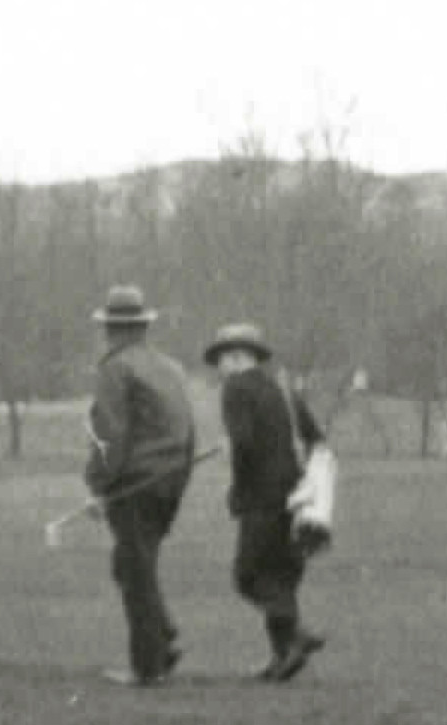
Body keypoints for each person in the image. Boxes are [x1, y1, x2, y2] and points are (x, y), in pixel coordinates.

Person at [203, 323, 327, 683]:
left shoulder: (236, 388)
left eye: (222, 359)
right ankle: (282, 657)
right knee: (281, 576)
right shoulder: (283, 388)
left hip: (261, 497)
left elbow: (243, 445)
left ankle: (296, 633)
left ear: (237, 357)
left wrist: (237, 489)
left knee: (248, 576)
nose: (220, 368)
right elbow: (315, 437)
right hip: (298, 496)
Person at [85, 286, 196, 688]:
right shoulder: (171, 368)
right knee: (131, 563)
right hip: (171, 480)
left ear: (110, 330)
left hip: (135, 482)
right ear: (143, 327)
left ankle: (149, 665)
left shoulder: (115, 369)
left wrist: (98, 484)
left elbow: (110, 434)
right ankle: (161, 636)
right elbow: (188, 430)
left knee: (135, 569)